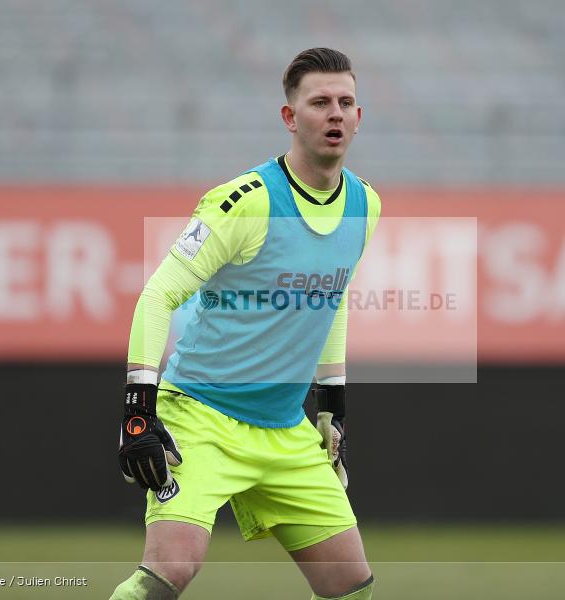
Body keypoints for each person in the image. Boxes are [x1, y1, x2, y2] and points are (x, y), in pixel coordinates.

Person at [111, 47, 381, 600]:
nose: (334, 113)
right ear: (290, 117)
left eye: (345, 102)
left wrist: (331, 404)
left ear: (359, 116)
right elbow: (159, 295)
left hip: (285, 428)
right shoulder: (244, 202)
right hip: (201, 419)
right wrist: (138, 411)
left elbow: (333, 299)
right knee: (167, 574)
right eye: (320, 102)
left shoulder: (365, 204)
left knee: (351, 586)